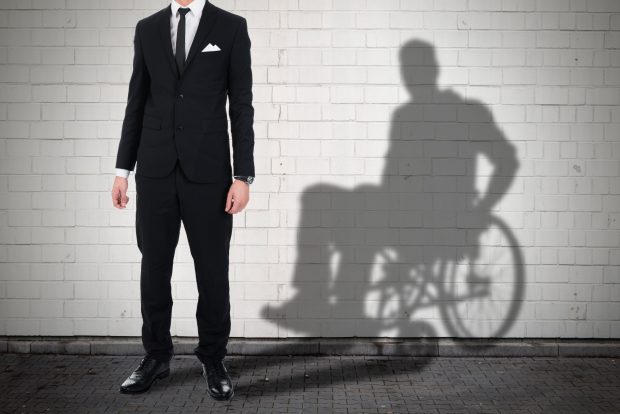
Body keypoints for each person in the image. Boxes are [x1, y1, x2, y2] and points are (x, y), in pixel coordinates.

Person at [110, 0, 255, 401]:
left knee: (212, 270)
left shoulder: (231, 27)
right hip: (155, 170)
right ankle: (155, 356)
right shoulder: (147, 28)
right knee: (154, 267)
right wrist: (122, 171)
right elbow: (136, 102)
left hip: (209, 174)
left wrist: (242, 176)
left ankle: (213, 357)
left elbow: (241, 106)